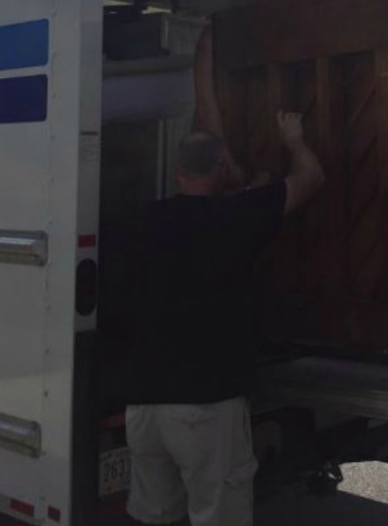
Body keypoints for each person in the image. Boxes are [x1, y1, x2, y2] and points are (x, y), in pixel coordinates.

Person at [123, 111, 324, 525]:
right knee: (219, 515)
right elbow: (310, 179)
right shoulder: (236, 217)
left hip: (144, 407)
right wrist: (294, 141)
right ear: (220, 169)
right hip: (205, 408)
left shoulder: (144, 222)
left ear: (178, 171)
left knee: (155, 517)